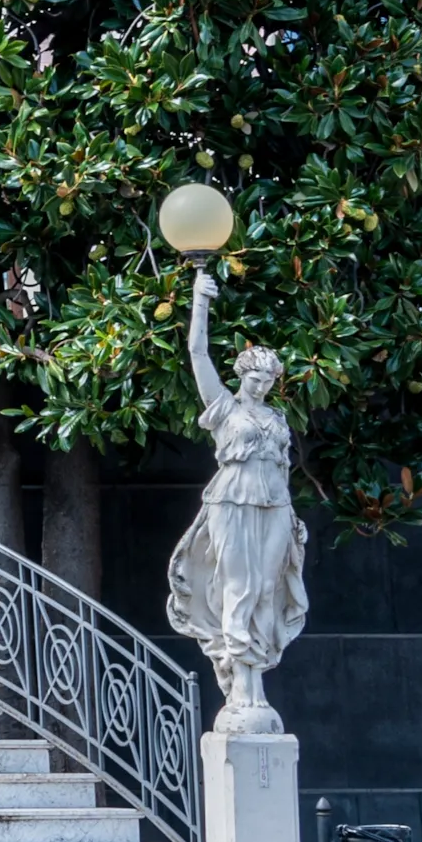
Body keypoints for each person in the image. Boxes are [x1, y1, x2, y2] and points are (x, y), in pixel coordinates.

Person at [163, 281, 310, 733]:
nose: (262, 386)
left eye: (268, 380)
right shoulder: (225, 408)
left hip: (275, 505)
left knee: (268, 589)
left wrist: (293, 520)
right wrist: (200, 300)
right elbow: (197, 353)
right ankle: (241, 686)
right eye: (255, 378)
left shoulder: (276, 417)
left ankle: (255, 680)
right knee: (239, 587)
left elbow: (282, 469)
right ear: (241, 375)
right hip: (231, 502)